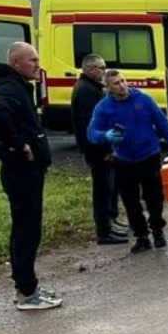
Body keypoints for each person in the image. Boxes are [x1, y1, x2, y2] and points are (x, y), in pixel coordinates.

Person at [0, 40, 60, 311]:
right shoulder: (8, 88)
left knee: (29, 228)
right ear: (16, 63)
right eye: (32, 60)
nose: (37, 65)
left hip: (28, 170)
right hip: (21, 171)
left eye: (37, 59)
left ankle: (29, 287)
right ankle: (27, 292)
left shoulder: (17, 86)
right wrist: (20, 145)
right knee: (26, 231)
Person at [88, 68, 168, 254]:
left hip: (149, 155)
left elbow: (162, 123)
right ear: (108, 88)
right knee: (131, 202)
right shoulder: (104, 107)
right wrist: (105, 135)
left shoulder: (143, 100)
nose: (122, 85)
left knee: (154, 197)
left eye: (123, 81)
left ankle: (157, 230)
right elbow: (91, 133)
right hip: (124, 160)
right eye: (116, 83)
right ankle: (142, 236)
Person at [70, 54, 126, 244]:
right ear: (90, 69)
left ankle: (111, 222)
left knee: (110, 188)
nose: (104, 71)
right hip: (97, 150)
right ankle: (104, 231)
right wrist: (105, 149)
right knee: (102, 190)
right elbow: (92, 124)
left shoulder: (93, 88)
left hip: (101, 147)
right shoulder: (87, 91)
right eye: (101, 68)